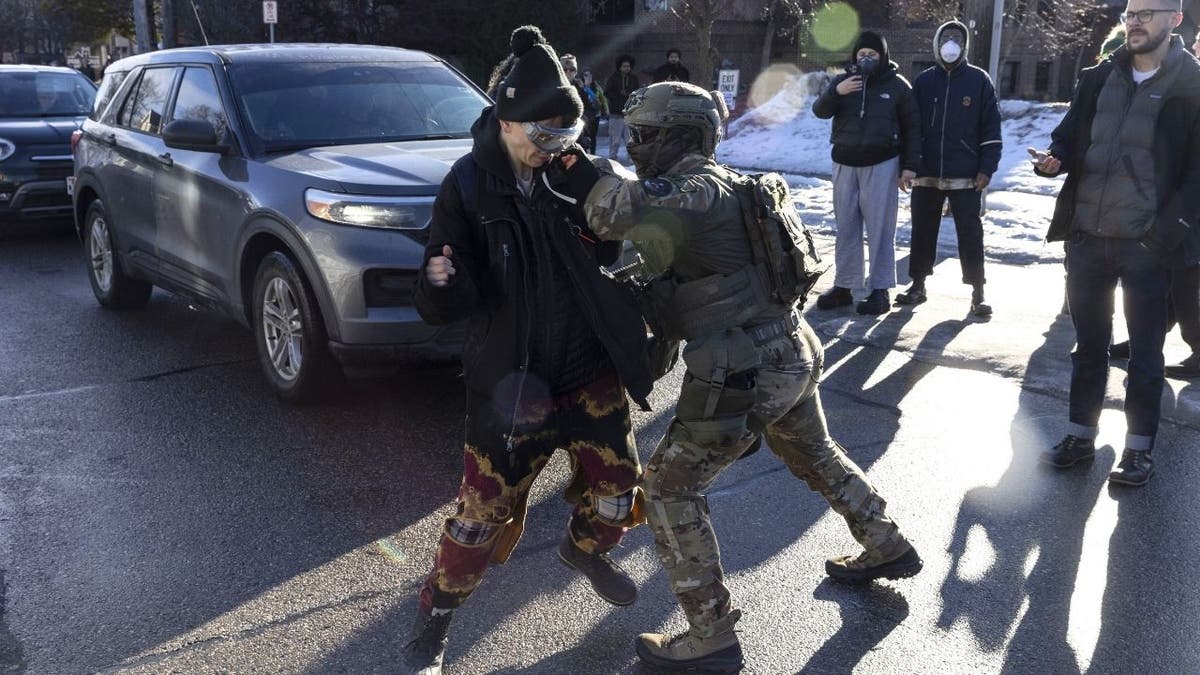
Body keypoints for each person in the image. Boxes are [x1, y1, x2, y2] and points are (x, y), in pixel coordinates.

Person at [562, 81, 922, 673]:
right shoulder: (728, 184)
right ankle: (886, 543)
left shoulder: (694, 188)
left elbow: (609, 213)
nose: (637, 146)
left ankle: (710, 635)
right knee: (814, 452)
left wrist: (580, 168)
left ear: (679, 136)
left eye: (645, 135)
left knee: (670, 487)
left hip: (747, 364)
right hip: (790, 348)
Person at [405, 25, 654, 674]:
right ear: (507, 121)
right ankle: (435, 619)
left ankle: (585, 548)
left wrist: (597, 198)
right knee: (480, 516)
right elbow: (438, 292)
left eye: (566, 136)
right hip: (511, 386)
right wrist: (442, 280)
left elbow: (625, 236)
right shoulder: (467, 185)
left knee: (619, 491)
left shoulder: (574, 173)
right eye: (544, 136)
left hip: (588, 372)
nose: (554, 149)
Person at [1031, 1, 1200, 487]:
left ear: (1174, 19)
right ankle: (1080, 437)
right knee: (1088, 348)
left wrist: (1163, 237)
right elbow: (1068, 137)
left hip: (1148, 245)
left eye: (1147, 13)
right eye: (1130, 14)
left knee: (1145, 356)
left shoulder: (1191, 84)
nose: (1135, 22)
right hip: (1088, 237)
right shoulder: (1099, 76)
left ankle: (1138, 450)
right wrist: (1055, 159)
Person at [897, 20, 1003, 318]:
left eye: (957, 38)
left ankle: (978, 292)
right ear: (936, 44)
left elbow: (991, 128)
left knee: (970, 234)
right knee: (922, 230)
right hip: (926, 172)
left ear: (965, 45)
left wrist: (987, 168)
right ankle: (917, 284)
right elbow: (910, 127)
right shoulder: (924, 81)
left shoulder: (979, 81)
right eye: (945, 38)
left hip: (966, 174)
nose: (951, 44)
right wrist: (908, 165)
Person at [811, 31, 920, 315]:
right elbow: (819, 110)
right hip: (844, 162)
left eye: (872, 54)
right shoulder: (842, 82)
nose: (867, 59)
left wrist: (909, 166)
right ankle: (844, 286)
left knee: (880, 228)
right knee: (846, 227)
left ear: (883, 56)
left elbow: (913, 128)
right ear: (855, 57)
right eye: (862, 54)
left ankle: (880, 290)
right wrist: (837, 92)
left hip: (882, 163)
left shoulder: (897, 85)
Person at [604, 54, 639, 160]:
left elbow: (638, 93)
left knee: (631, 139)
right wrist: (619, 94)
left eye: (628, 66)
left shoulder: (634, 78)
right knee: (615, 139)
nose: (626, 68)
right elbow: (607, 93)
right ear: (619, 67)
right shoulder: (613, 78)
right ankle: (612, 157)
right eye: (624, 66)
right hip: (616, 113)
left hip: (630, 113)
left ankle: (631, 158)